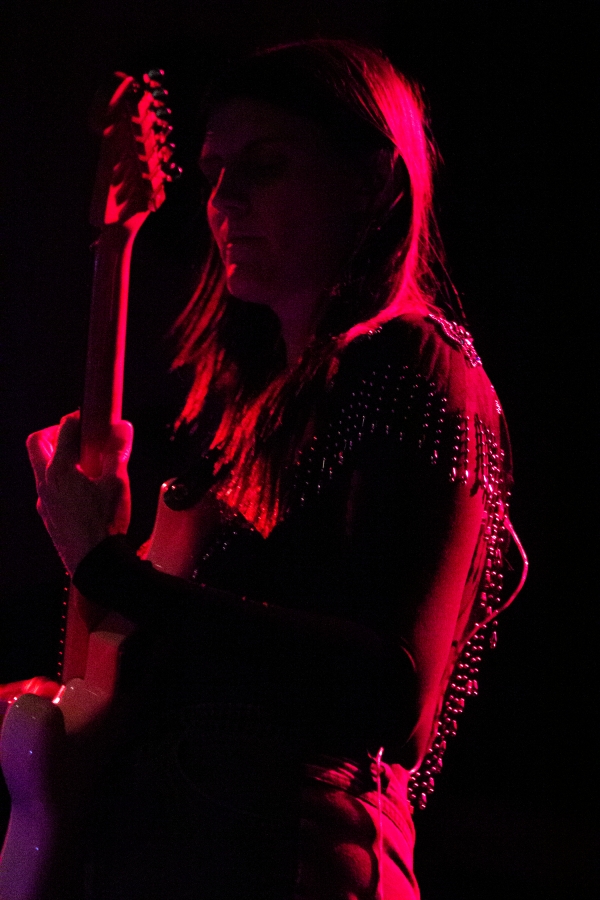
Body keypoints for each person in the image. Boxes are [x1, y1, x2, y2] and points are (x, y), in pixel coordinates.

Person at [25, 39, 524, 900]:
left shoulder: (413, 363)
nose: (225, 200)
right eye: (214, 174)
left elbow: (389, 691)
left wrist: (105, 565)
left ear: (372, 181)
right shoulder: (246, 423)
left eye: (265, 166)